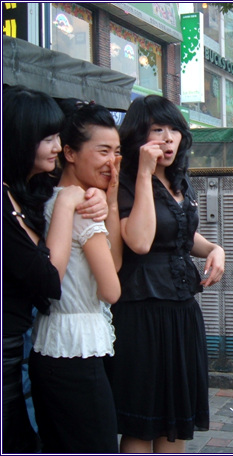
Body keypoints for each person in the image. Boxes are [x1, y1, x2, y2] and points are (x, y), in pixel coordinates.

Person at [106, 95, 225, 453]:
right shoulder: (125, 180)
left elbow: (183, 233)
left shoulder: (179, 181)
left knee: (175, 424)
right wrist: (143, 172)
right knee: (143, 424)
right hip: (141, 309)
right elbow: (140, 241)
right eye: (158, 129)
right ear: (139, 136)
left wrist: (214, 249)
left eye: (174, 129)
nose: (168, 138)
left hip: (181, 309)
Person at [2, 87, 108, 453]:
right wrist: (67, 205)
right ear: (19, 138)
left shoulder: (32, 192)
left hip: (24, 350)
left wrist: (97, 199)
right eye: (46, 138)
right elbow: (49, 282)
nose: (55, 146)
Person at [28, 100, 122, 453]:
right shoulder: (81, 208)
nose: (112, 162)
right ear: (69, 152)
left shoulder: (50, 200)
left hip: (49, 348)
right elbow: (111, 287)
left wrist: (109, 203)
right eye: (102, 151)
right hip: (76, 356)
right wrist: (102, 213)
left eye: (116, 152)